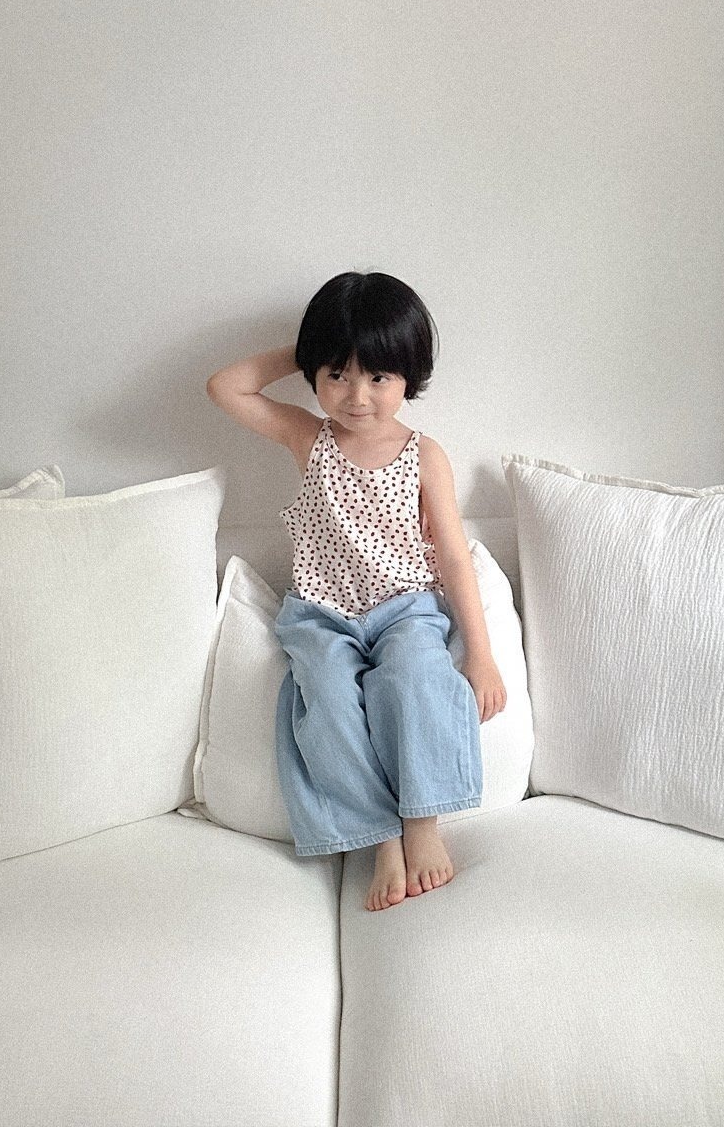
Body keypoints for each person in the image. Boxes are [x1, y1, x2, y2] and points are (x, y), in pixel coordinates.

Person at [206, 271, 507, 912]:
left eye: (378, 376)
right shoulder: (307, 437)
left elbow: (453, 557)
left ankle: (422, 821)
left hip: (406, 611)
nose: (356, 396)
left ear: (408, 377)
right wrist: (312, 347)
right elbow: (225, 386)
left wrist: (480, 655)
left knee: (418, 680)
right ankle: (380, 835)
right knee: (327, 704)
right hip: (321, 616)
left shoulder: (424, 455)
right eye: (337, 374)